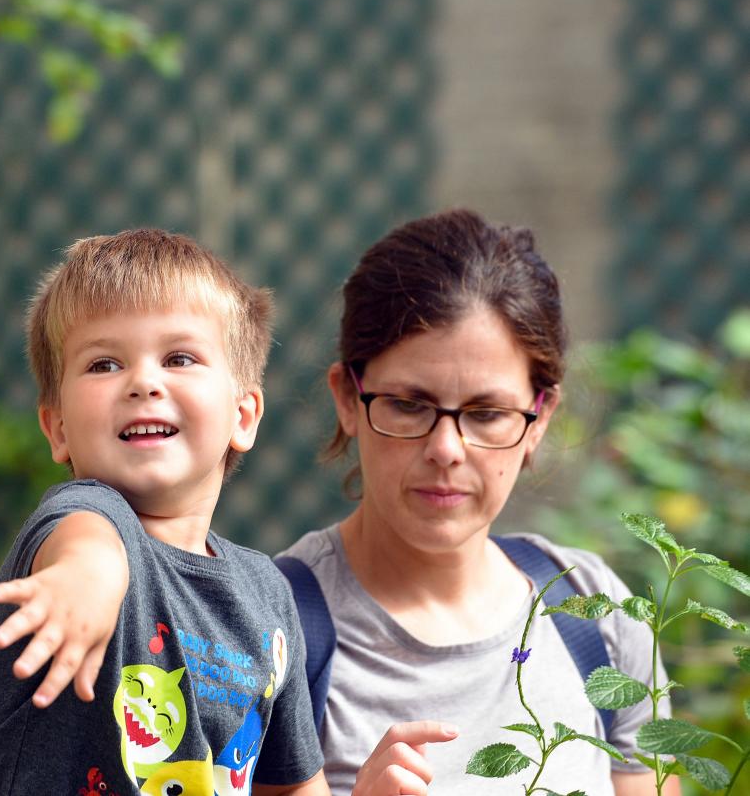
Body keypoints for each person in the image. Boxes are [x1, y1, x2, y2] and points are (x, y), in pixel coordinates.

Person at [276, 209, 675, 796]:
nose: (446, 449)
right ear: (347, 398)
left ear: (540, 420)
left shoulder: (598, 615)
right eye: (409, 404)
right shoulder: (272, 628)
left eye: (487, 414)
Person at [0, 228, 327, 795]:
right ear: (58, 427)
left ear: (244, 415)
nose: (143, 382)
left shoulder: (267, 594)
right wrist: (86, 579)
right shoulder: (80, 518)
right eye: (104, 364)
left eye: (179, 357)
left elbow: (290, 787)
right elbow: (89, 544)